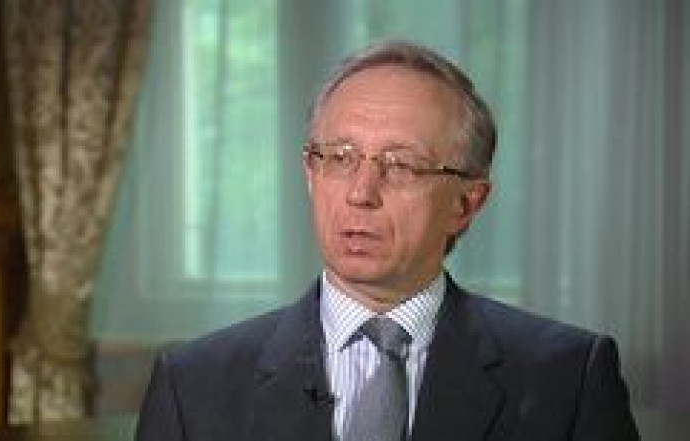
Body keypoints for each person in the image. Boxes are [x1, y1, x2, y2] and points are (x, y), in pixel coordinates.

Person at [136, 41, 639, 441]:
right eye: (340, 158)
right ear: (311, 174)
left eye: (401, 165)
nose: (361, 193)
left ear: (466, 203)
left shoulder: (568, 379)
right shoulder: (193, 383)